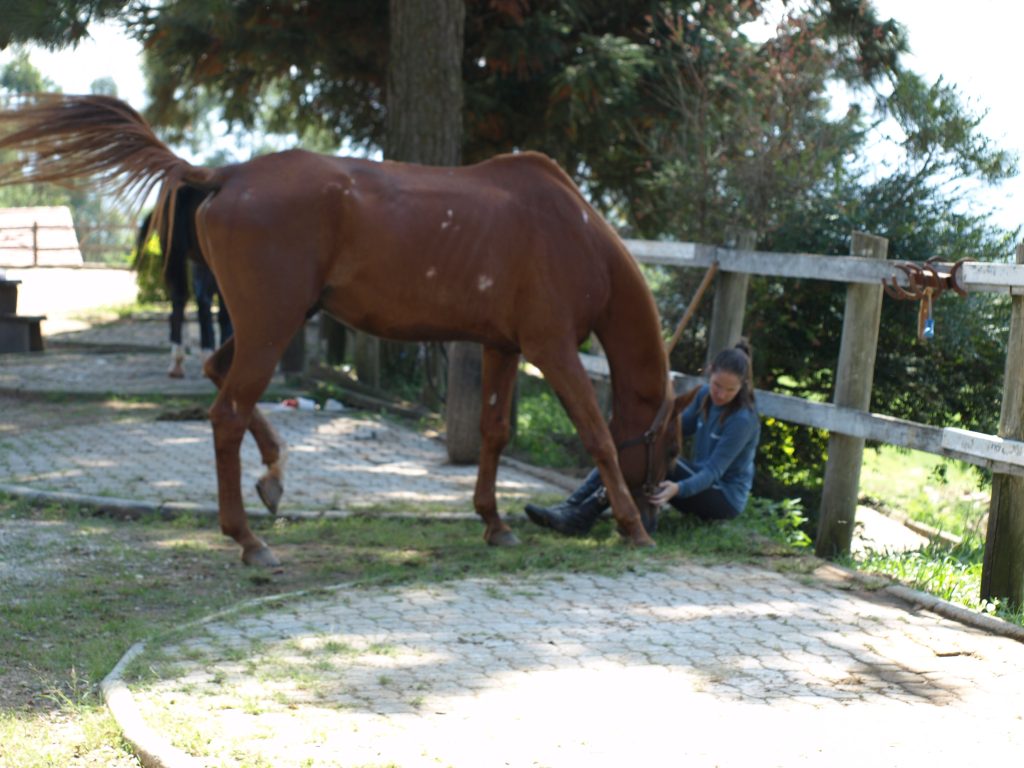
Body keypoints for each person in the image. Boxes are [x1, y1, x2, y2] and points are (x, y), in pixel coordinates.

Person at [525, 339, 760, 535]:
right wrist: (651, 419)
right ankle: (571, 505)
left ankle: (580, 517)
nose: (721, 394)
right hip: (697, 478)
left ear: (742, 387)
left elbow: (713, 472)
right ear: (709, 373)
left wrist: (678, 489)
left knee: (647, 459)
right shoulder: (704, 397)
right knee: (635, 449)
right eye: (717, 385)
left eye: (730, 390)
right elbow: (674, 429)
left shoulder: (742, 420)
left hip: (722, 495)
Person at [136, 186, 232, 378]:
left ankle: (182, 354)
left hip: (200, 262)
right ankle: (219, 357)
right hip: (218, 255)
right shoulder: (218, 207)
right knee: (222, 302)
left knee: (193, 298)